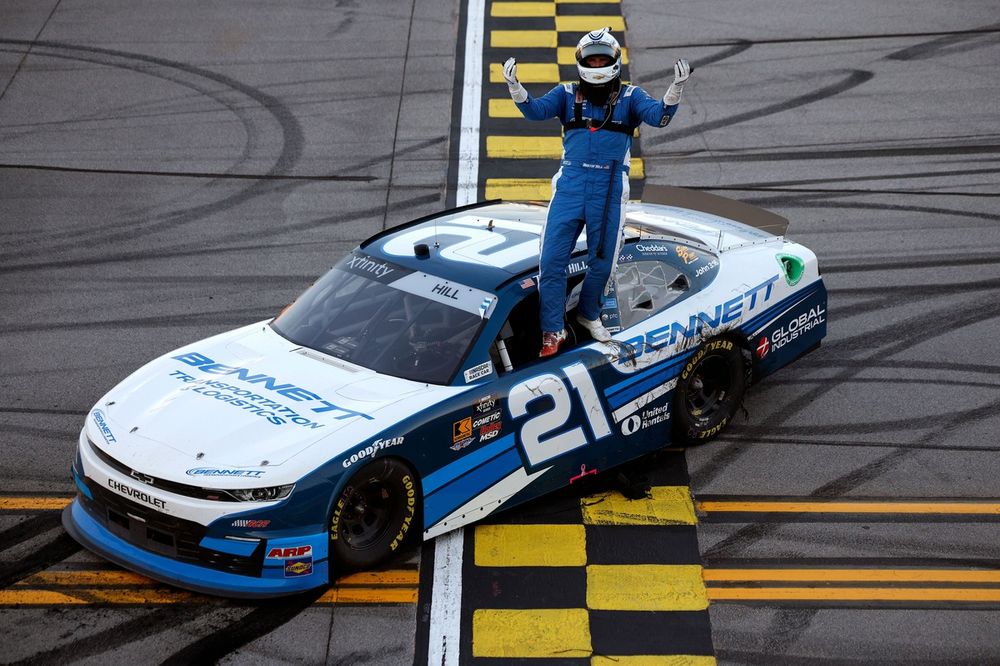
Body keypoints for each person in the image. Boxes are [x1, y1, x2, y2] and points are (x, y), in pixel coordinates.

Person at [502, 27, 691, 357]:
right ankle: (552, 331)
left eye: (604, 58)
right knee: (551, 261)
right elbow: (535, 112)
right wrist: (515, 88)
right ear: (582, 62)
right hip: (570, 186)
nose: (598, 63)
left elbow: (659, 117)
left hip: (609, 188)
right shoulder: (564, 94)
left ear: (615, 62)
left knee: (602, 262)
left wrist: (674, 91)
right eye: (593, 58)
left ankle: (588, 314)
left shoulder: (632, 97)